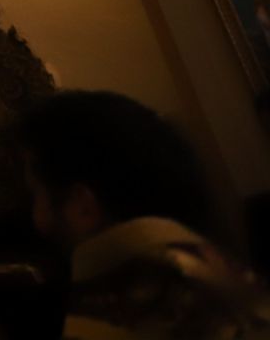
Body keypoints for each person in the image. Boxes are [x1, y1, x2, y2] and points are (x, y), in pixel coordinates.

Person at [19, 89, 270, 338]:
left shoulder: (124, 309)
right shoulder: (229, 284)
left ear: (83, 206)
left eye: (36, 194)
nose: (36, 218)